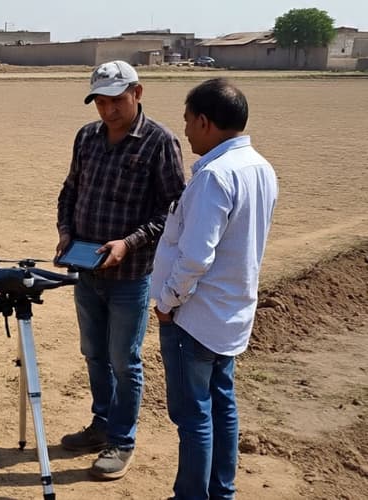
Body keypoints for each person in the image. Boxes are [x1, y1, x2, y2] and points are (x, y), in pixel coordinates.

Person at [55, 60, 186, 480]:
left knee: (123, 360)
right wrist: (65, 233)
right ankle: (101, 424)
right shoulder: (87, 137)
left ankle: (122, 440)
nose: (108, 110)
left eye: (116, 100)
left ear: (137, 93)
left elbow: (172, 211)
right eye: (100, 102)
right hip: (86, 271)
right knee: (94, 353)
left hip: (130, 277)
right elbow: (70, 190)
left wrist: (128, 243)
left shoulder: (159, 141)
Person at [150, 78, 278, 499]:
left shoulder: (214, 177)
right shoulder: (260, 167)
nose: (185, 131)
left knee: (193, 416)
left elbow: (195, 257)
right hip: (231, 313)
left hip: (195, 317)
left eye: (188, 121)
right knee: (222, 406)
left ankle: (191, 495)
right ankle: (221, 492)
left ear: (204, 122)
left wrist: (168, 302)